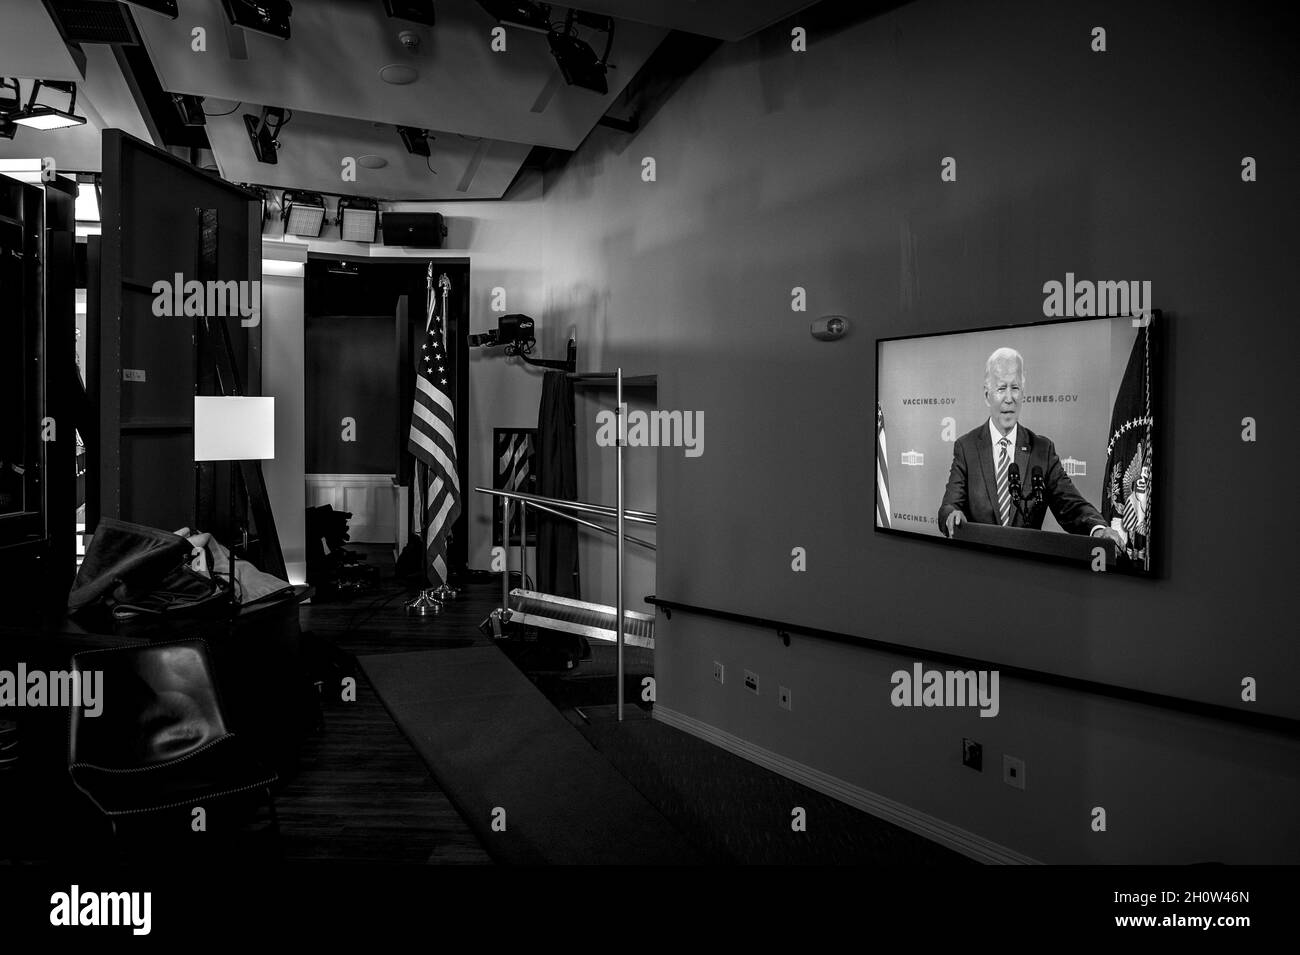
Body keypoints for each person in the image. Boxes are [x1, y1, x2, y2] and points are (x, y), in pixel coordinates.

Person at [938, 347, 1125, 547]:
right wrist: (952, 515)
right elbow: (949, 506)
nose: (1009, 398)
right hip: (979, 566)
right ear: (987, 395)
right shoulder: (966, 448)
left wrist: (1097, 528)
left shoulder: (1042, 450)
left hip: (1027, 568)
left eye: (1015, 388)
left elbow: (1070, 505)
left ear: (1023, 393)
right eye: (1001, 388)